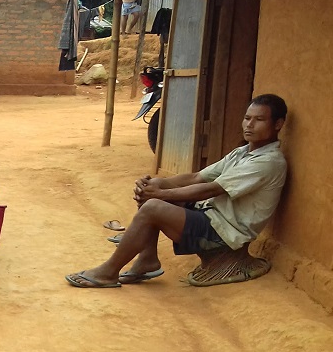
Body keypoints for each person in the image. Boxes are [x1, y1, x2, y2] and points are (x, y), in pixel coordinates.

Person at [66, 94, 288, 288]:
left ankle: (108, 272)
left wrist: (158, 195)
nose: (249, 125)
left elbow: (211, 189)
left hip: (225, 234)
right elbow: (196, 177)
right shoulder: (242, 153)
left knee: (153, 206)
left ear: (278, 124)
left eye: (259, 120)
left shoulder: (268, 162)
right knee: (155, 188)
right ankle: (147, 259)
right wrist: (156, 185)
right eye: (247, 118)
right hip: (212, 216)